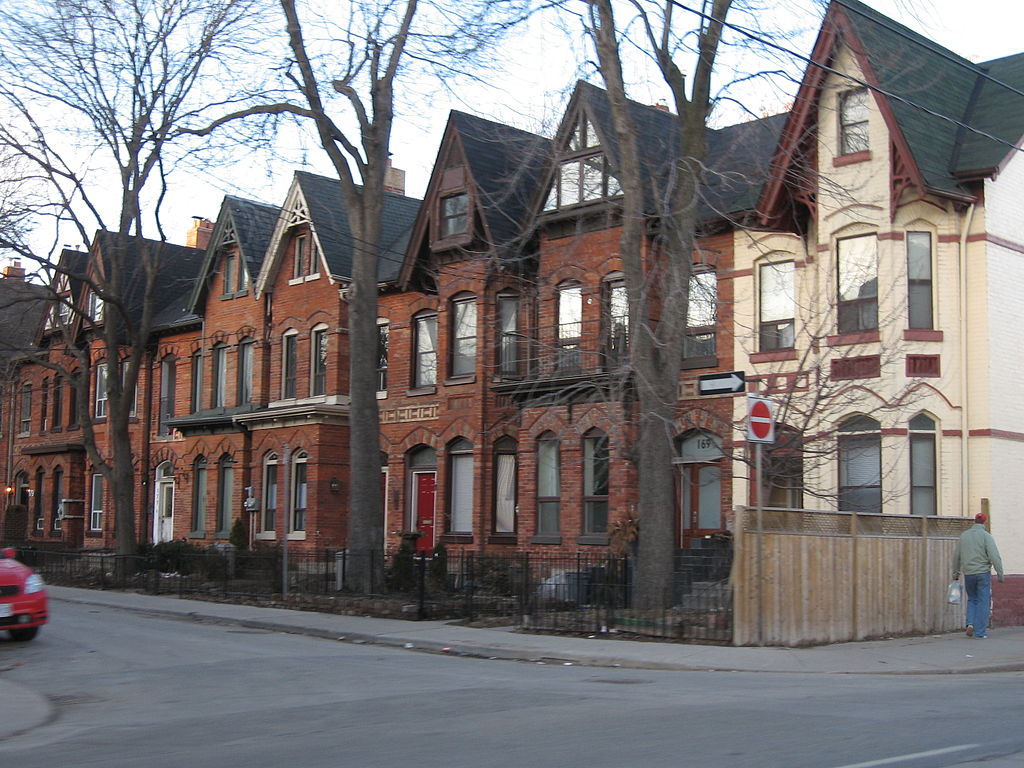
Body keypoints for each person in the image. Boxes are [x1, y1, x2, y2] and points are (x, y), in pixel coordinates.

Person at [952, 512, 1004, 639]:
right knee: (983, 601)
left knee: (972, 599)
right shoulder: (986, 536)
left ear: (974, 521)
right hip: (982, 573)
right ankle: (980, 632)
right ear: (984, 522)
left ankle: (970, 623)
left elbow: (956, 557)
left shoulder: (964, 536)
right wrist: (1000, 573)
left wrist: (955, 574)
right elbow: (994, 556)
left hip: (969, 573)